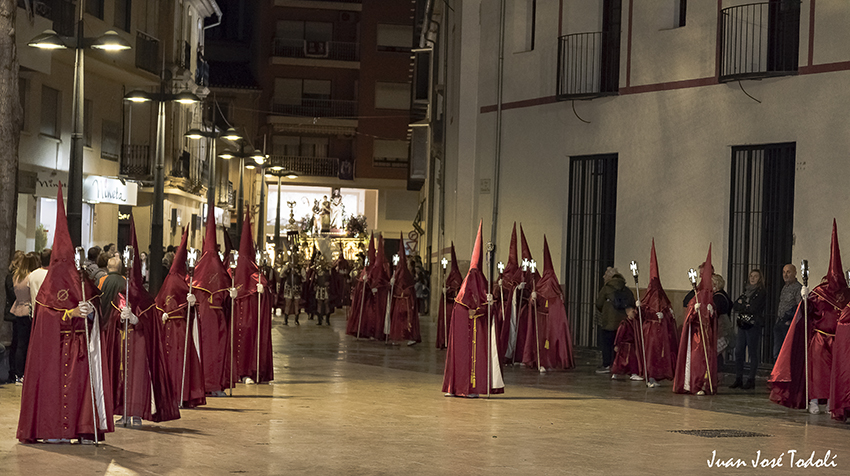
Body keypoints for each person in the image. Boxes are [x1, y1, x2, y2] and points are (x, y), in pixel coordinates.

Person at [17, 184, 112, 444]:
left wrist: (90, 311)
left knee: (81, 391)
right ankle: (52, 430)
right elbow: (45, 318)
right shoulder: (48, 288)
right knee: (52, 390)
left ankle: (82, 429)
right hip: (54, 353)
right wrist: (69, 313)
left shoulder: (83, 283)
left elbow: (98, 315)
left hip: (80, 350)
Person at [103, 215, 180, 426]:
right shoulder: (121, 292)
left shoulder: (144, 297)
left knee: (137, 379)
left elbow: (151, 321)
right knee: (122, 377)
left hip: (138, 344)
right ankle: (124, 412)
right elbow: (112, 316)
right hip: (122, 342)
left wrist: (137, 319)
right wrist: (120, 316)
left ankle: (136, 413)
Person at [770, 220, 849, 414]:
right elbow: (807, 313)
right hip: (820, 339)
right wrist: (805, 300)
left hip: (839, 342)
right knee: (818, 373)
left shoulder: (847, 294)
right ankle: (813, 400)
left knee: (836, 374)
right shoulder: (819, 292)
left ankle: (833, 402)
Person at [442, 221, 504, 397]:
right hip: (463, 331)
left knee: (475, 357)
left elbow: (490, 311)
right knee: (460, 356)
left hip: (478, 331)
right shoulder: (463, 290)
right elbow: (459, 308)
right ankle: (455, 386)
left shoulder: (484, 288)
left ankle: (473, 387)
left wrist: (490, 303)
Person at [156, 227, 206, 409]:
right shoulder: (178, 282)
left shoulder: (178, 281)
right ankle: (179, 393)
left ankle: (177, 393)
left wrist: (191, 304)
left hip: (177, 327)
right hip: (177, 328)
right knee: (177, 360)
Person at [193, 205, 233, 397]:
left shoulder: (197, 271)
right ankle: (211, 384)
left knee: (208, 351)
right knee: (213, 352)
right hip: (215, 319)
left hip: (204, 319)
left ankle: (208, 384)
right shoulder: (218, 270)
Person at [231, 209, 273, 385]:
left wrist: (262, 291)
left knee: (249, 341)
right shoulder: (232, 271)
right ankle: (234, 372)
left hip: (250, 316)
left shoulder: (256, 274)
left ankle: (250, 370)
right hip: (235, 316)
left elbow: (266, 293)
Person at [522, 236, 575, 371]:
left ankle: (551, 361)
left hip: (551, 322)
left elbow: (558, 307)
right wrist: (533, 299)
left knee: (551, 341)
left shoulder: (556, 291)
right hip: (540, 319)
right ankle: (540, 362)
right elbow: (534, 304)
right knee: (539, 341)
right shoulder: (538, 286)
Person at [673, 247, 718, 396]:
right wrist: (694, 310)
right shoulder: (695, 295)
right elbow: (688, 316)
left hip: (708, 334)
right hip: (697, 335)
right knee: (697, 360)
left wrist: (712, 312)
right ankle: (695, 384)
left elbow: (714, 319)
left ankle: (706, 385)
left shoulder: (712, 296)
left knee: (707, 360)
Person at [636, 240, 679, 387]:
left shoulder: (663, 299)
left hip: (661, 333)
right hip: (650, 332)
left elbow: (667, 312)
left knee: (660, 354)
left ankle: (659, 375)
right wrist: (640, 308)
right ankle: (650, 376)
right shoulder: (646, 299)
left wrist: (667, 315)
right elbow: (640, 315)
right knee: (650, 354)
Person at [730, 269, 767, 389]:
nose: (753, 278)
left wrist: (744, 305)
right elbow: (736, 305)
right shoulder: (746, 291)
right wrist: (744, 305)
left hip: (753, 325)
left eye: (755, 276)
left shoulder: (761, 292)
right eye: (751, 276)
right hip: (742, 324)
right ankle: (738, 378)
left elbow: (754, 308)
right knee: (739, 351)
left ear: (759, 279)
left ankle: (751, 379)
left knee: (752, 352)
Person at [595, 267, 633, 373]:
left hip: (609, 322)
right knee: (620, 345)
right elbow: (632, 303)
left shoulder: (606, 288)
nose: (603, 276)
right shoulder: (626, 289)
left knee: (607, 343)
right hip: (623, 323)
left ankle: (607, 365)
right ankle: (619, 364)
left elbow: (599, 303)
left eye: (606, 274)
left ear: (610, 277)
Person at [9, 252, 40, 384]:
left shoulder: (16, 276)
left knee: (18, 343)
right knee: (24, 344)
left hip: (17, 309)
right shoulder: (29, 277)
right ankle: (22, 373)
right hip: (27, 310)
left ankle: (17, 373)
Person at [388, 234, 420, 345]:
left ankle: (409, 337)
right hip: (398, 301)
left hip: (406, 301)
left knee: (407, 320)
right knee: (397, 319)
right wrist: (392, 283)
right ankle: (396, 337)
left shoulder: (406, 274)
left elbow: (408, 287)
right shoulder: (397, 273)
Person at [437, 243, 463, 350]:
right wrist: (445, 291)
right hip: (447, 305)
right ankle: (444, 340)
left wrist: (451, 292)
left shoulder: (458, 279)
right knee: (445, 323)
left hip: (453, 305)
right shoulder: (449, 278)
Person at [773, 264, 802, 360]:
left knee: (787, 352)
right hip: (780, 322)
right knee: (777, 352)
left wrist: (791, 320)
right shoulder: (785, 288)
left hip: (788, 324)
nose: (785, 275)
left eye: (788, 272)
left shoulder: (798, 288)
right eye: (784, 272)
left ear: (794, 273)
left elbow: (799, 307)